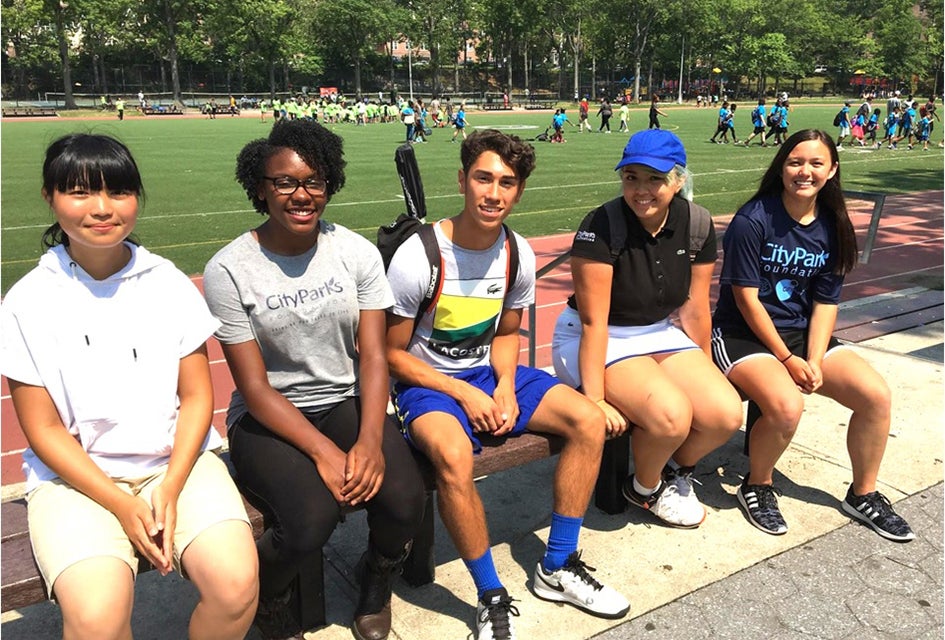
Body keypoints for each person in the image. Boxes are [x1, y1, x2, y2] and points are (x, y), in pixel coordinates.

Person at [0, 133, 259, 639]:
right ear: (50, 197)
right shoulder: (28, 301)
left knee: (236, 585)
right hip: (75, 480)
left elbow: (196, 397)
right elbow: (43, 429)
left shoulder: (167, 283)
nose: (102, 208)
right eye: (80, 192)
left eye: (118, 191)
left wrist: (173, 484)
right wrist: (121, 503)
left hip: (176, 463)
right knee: (97, 619)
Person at [385, 129, 630, 640]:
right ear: (462, 180)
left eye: (507, 182)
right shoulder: (419, 254)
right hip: (428, 384)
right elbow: (391, 355)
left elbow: (506, 334)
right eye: (484, 178)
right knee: (453, 455)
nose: (493, 193)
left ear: (519, 191)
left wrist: (500, 386)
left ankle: (557, 566)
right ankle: (490, 593)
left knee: (588, 420)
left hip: (488, 374)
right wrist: (464, 392)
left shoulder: (517, 251)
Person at [203, 119, 425, 640]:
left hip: (344, 399)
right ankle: (268, 600)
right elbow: (255, 388)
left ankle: (377, 578)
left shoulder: (355, 252)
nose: (301, 195)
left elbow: (373, 356)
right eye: (284, 182)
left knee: (404, 499)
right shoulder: (229, 269)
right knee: (310, 521)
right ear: (260, 187)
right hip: (268, 416)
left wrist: (369, 441)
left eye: (314, 181)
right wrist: (326, 453)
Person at [710, 129, 915, 542]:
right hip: (743, 334)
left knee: (875, 396)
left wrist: (815, 360)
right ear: (781, 167)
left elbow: (825, 302)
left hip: (801, 333)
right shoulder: (753, 220)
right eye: (795, 162)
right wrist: (788, 360)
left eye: (816, 163)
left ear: (832, 170)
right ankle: (757, 484)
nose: (805, 171)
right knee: (787, 406)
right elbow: (746, 300)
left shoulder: (834, 224)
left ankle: (863, 494)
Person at [551, 129, 743, 529]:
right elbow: (593, 321)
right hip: (596, 336)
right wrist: (596, 399)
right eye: (631, 177)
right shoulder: (601, 224)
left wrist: (705, 370)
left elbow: (694, 308)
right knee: (671, 416)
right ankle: (646, 488)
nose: (641, 190)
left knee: (724, 413)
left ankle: (671, 471)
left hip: (657, 330)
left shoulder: (697, 222)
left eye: (654, 179)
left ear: (678, 180)